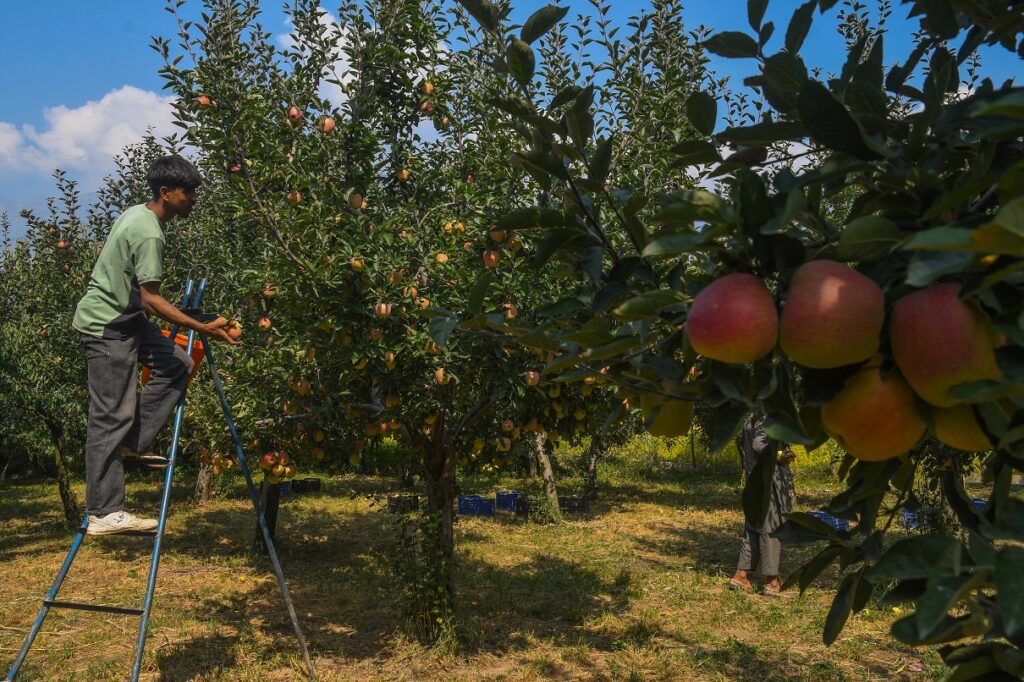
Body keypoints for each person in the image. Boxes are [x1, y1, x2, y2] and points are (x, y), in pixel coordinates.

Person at [72, 155, 240, 536]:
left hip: (126, 318)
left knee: (177, 364)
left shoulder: (138, 215)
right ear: (166, 193)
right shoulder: (149, 232)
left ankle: (131, 444)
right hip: (107, 326)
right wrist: (202, 327)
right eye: (190, 192)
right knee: (110, 415)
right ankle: (103, 511)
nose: (195, 198)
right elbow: (152, 299)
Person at [729, 414, 796, 597]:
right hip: (768, 483)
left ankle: (740, 576)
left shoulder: (751, 416)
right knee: (771, 530)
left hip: (755, 481)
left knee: (753, 529)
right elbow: (759, 445)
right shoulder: (766, 417)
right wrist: (781, 457)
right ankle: (771, 583)